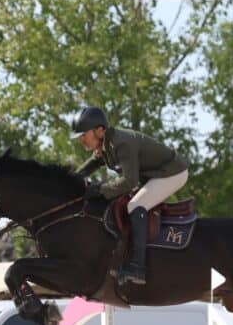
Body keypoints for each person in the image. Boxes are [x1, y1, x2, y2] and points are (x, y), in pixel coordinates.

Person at [71, 106, 189, 285]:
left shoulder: (121, 143)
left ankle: (137, 268)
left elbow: (129, 182)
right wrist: (70, 180)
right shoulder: (106, 144)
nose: (81, 139)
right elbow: (91, 165)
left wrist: (99, 189)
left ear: (100, 130)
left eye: (83, 134)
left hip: (172, 173)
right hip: (153, 175)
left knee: (135, 205)